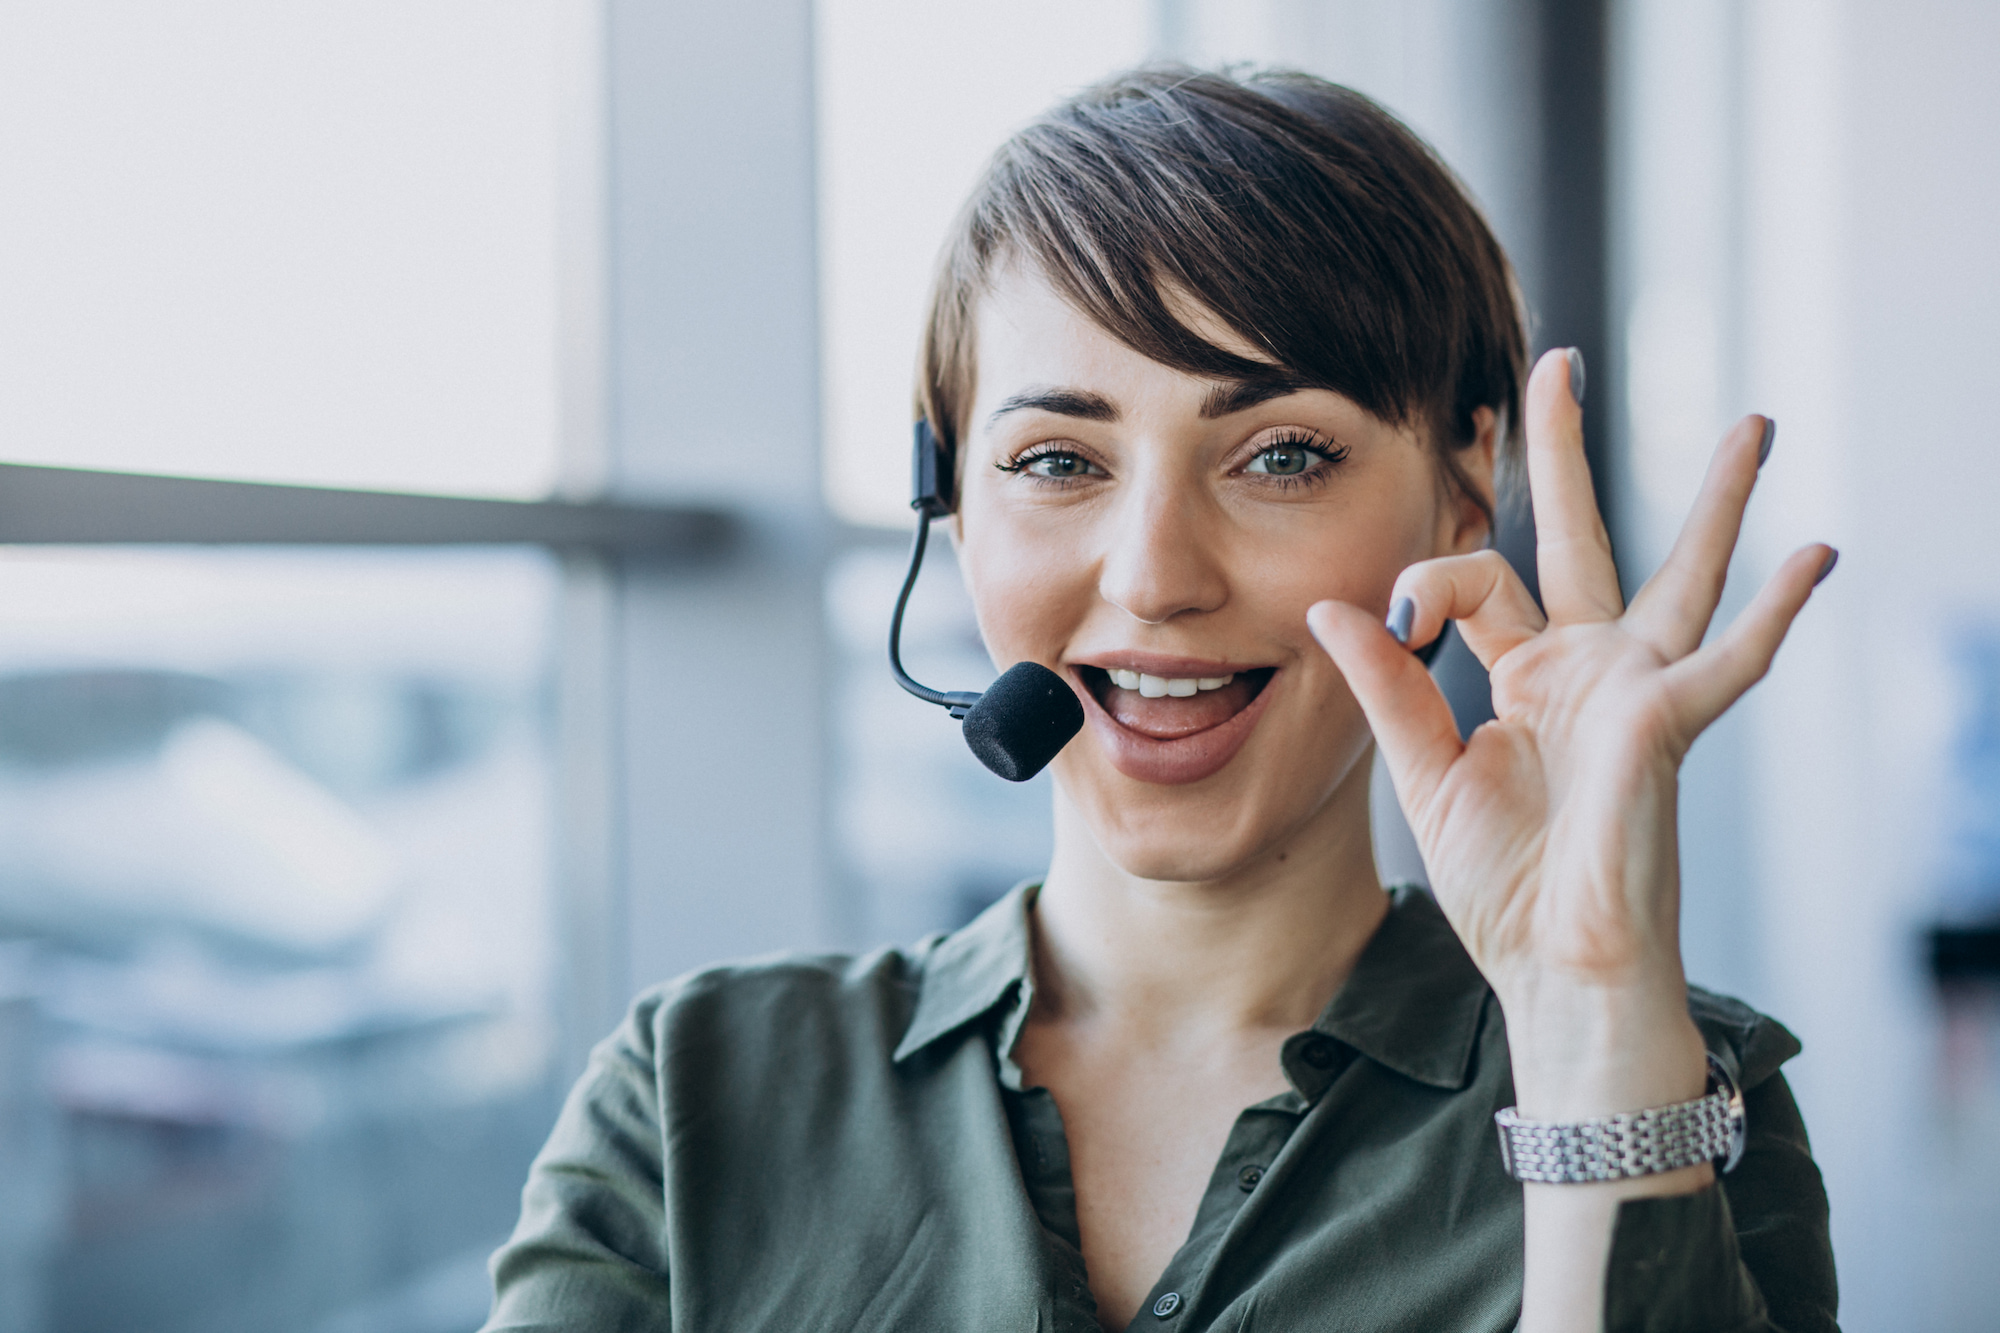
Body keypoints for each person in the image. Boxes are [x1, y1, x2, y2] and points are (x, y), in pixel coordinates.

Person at [482, 67, 1838, 1333]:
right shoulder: (695, 1096)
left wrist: (1588, 1015)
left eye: (1282, 454)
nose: (1154, 576)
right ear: (950, 510)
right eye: (1060, 460)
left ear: (1465, 481)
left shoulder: (1680, 1080)